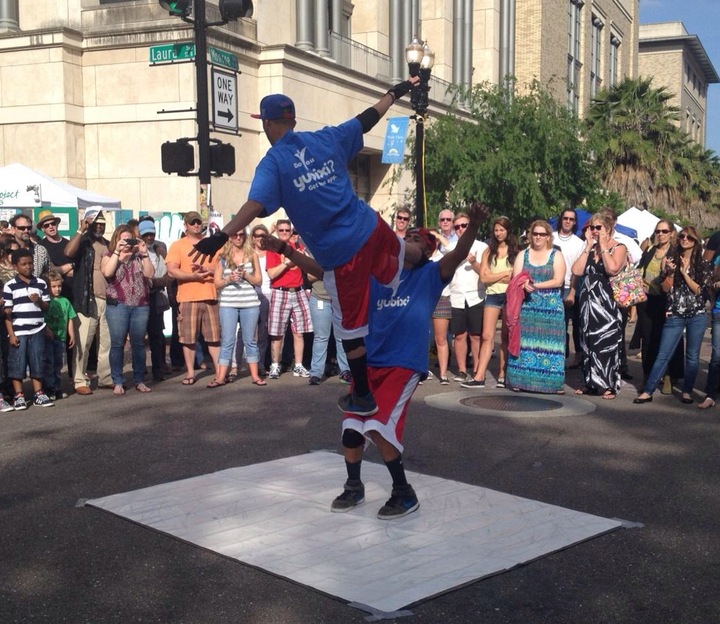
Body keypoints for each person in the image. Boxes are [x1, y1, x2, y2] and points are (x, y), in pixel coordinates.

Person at [191, 80, 424, 417]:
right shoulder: (325, 138)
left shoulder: (274, 163)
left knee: (350, 329)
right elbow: (366, 119)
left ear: (268, 123)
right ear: (294, 122)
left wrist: (224, 234)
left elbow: (256, 203)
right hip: (370, 226)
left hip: (343, 254)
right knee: (402, 253)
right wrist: (394, 93)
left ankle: (363, 394)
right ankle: (424, 251)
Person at [264, 202, 489, 518]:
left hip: (402, 364)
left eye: (415, 239)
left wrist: (475, 224)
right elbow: (325, 271)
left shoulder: (431, 273)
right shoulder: (378, 274)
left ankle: (403, 492)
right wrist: (286, 250)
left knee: (380, 427)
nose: (407, 241)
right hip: (369, 363)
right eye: (405, 236)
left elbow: (458, 253)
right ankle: (354, 487)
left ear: (427, 250)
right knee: (352, 427)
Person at [634, 227, 711, 405]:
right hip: (675, 313)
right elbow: (665, 288)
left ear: (695, 241)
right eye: (682, 236)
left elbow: (700, 291)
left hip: (697, 314)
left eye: (689, 238)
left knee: (692, 356)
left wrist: (684, 273)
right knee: (663, 353)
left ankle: (687, 391)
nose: (684, 240)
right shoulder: (670, 260)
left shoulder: (703, 264)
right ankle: (648, 391)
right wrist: (669, 273)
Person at [504, 220, 566, 394]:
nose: (538, 237)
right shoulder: (522, 255)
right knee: (525, 344)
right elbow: (516, 278)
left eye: (542, 234)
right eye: (535, 233)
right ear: (530, 235)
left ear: (548, 237)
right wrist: (523, 284)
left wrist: (535, 285)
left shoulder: (556, 255)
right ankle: (519, 381)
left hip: (551, 307)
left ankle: (551, 384)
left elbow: (558, 280)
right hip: (527, 306)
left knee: (551, 345)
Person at [571, 212, 627, 399]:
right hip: (587, 304)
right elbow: (576, 270)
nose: (593, 231)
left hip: (607, 305)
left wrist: (603, 246)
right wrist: (588, 246)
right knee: (588, 343)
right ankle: (591, 382)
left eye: (598, 228)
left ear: (608, 228)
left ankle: (609, 384)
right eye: (591, 227)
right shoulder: (590, 249)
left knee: (607, 343)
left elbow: (612, 268)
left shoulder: (619, 247)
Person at [166, 212, 221, 386]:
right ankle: (190, 372)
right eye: (192, 223)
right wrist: (193, 276)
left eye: (198, 222)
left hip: (210, 296)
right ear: (186, 226)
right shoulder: (178, 245)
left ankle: (220, 372)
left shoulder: (212, 244)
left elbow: (221, 267)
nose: (196, 225)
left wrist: (207, 270)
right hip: (188, 298)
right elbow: (172, 270)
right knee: (188, 338)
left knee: (214, 337)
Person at [462, 216, 516, 388]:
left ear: (508, 231)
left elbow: (515, 278)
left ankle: (502, 373)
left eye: (502, 229)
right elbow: (484, 277)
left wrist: (505, 277)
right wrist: (503, 275)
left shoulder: (516, 251)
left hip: (510, 296)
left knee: (506, 336)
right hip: (492, 295)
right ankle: (479, 376)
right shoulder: (488, 251)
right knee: (487, 336)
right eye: (496, 230)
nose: (499, 233)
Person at [101, 225, 155, 395]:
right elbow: (107, 272)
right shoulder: (109, 255)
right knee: (117, 343)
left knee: (138, 344)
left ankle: (139, 380)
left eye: (129, 239)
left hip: (140, 304)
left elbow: (150, 274)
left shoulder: (139, 255)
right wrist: (117, 252)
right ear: (116, 239)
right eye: (123, 239)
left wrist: (144, 253)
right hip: (118, 304)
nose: (126, 243)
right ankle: (117, 380)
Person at [64, 208, 113, 396]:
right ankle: (79, 380)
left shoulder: (107, 244)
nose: (99, 227)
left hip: (106, 299)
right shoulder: (83, 243)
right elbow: (68, 252)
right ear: (89, 223)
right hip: (86, 299)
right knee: (83, 342)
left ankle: (105, 377)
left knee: (105, 342)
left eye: (102, 224)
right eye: (96, 223)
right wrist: (80, 230)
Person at [211, 228, 265, 387]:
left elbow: (259, 281)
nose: (238, 237)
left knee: (250, 341)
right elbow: (217, 283)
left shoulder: (252, 254)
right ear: (230, 237)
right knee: (227, 340)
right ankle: (221, 377)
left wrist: (245, 275)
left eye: (242, 235)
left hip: (250, 303)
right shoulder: (222, 256)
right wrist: (229, 278)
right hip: (228, 303)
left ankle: (254, 376)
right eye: (235, 234)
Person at [635, 220, 683, 390]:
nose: (660, 234)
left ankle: (668, 375)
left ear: (671, 233)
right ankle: (647, 376)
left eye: (664, 231)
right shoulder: (650, 250)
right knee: (647, 339)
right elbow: (640, 270)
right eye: (658, 231)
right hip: (646, 300)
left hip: (667, 302)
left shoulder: (676, 253)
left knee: (666, 339)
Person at [3, 248, 54, 409]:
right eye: (23, 264)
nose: (28, 267)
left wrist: (39, 301)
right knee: (17, 363)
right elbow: (7, 314)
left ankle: (38, 393)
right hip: (19, 331)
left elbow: (46, 307)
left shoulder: (40, 283)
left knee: (37, 360)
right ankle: (19, 395)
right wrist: (11, 334)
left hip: (37, 329)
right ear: (15, 266)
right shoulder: (10, 286)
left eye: (30, 263)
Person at [265, 220, 312, 379]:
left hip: (298, 291)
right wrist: (286, 263)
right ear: (277, 231)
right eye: (281, 230)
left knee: (299, 332)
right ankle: (275, 365)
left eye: (287, 230)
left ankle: (298, 365)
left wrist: (304, 258)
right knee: (277, 333)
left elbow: (308, 271)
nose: (284, 233)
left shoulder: (297, 249)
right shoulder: (272, 250)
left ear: (291, 232)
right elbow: (271, 274)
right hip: (280, 292)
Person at [447, 213, 487, 383]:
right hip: (456, 295)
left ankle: (478, 369)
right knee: (459, 335)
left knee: (476, 335)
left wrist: (473, 262)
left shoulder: (482, 246)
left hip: (475, 295)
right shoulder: (450, 247)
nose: (461, 229)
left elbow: (485, 274)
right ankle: (462, 370)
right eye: (457, 227)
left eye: (464, 226)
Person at [139, 219, 173, 382]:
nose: (149, 238)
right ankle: (140, 369)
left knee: (156, 335)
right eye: (146, 235)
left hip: (156, 297)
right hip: (139, 298)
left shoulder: (161, 249)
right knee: (138, 335)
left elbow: (169, 274)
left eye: (151, 234)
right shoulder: (134, 251)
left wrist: (155, 282)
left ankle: (158, 369)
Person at [552, 209, 585, 368]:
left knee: (576, 325)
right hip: (551, 287)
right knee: (558, 325)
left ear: (574, 222)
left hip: (570, 287)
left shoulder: (579, 243)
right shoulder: (549, 237)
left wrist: (572, 291)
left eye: (571, 219)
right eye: (565, 218)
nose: (567, 221)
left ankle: (578, 355)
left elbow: (577, 271)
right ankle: (559, 356)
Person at [429, 209, 456, 385]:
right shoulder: (426, 252)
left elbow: (454, 251)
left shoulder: (449, 247)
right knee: (423, 336)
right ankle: (422, 370)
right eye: (442, 219)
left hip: (443, 297)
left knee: (441, 337)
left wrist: (439, 237)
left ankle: (444, 373)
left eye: (448, 219)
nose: (445, 222)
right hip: (425, 297)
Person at [42, 269, 76, 401]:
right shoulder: (45, 302)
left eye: (59, 286)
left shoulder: (65, 301)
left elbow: (70, 318)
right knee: (48, 363)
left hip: (61, 338)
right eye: (54, 286)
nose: (57, 289)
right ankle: (49, 388)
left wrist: (71, 334)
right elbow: (41, 317)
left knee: (58, 363)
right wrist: (46, 329)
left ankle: (56, 387)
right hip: (49, 337)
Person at [37, 210, 74, 299]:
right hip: (51, 294)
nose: (51, 227)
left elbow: (76, 271)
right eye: (46, 225)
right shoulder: (40, 247)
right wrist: (71, 265)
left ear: (57, 224)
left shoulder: (69, 244)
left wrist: (61, 270)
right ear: (42, 229)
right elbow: (51, 270)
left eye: (53, 223)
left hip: (71, 291)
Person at [250, 223, 271, 376]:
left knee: (264, 332)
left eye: (263, 235)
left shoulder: (271, 253)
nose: (260, 239)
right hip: (252, 294)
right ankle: (240, 364)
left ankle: (261, 363)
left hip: (270, 294)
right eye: (257, 236)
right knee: (249, 332)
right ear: (253, 238)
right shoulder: (249, 253)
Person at [11, 214, 50, 278]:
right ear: (13, 229)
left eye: (29, 228)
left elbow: (47, 274)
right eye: (22, 228)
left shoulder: (40, 250)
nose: (26, 231)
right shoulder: (5, 251)